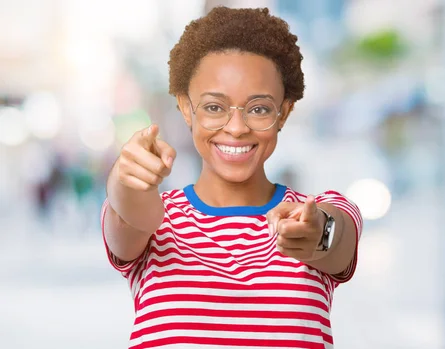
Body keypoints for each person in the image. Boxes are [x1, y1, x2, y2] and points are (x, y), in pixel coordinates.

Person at [101, 6, 363, 349]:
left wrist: (316, 235)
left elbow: (337, 240)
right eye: (214, 107)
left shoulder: (314, 212)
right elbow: (132, 215)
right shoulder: (157, 225)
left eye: (259, 108)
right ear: (185, 107)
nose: (237, 128)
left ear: (284, 111)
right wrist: (126, 178)